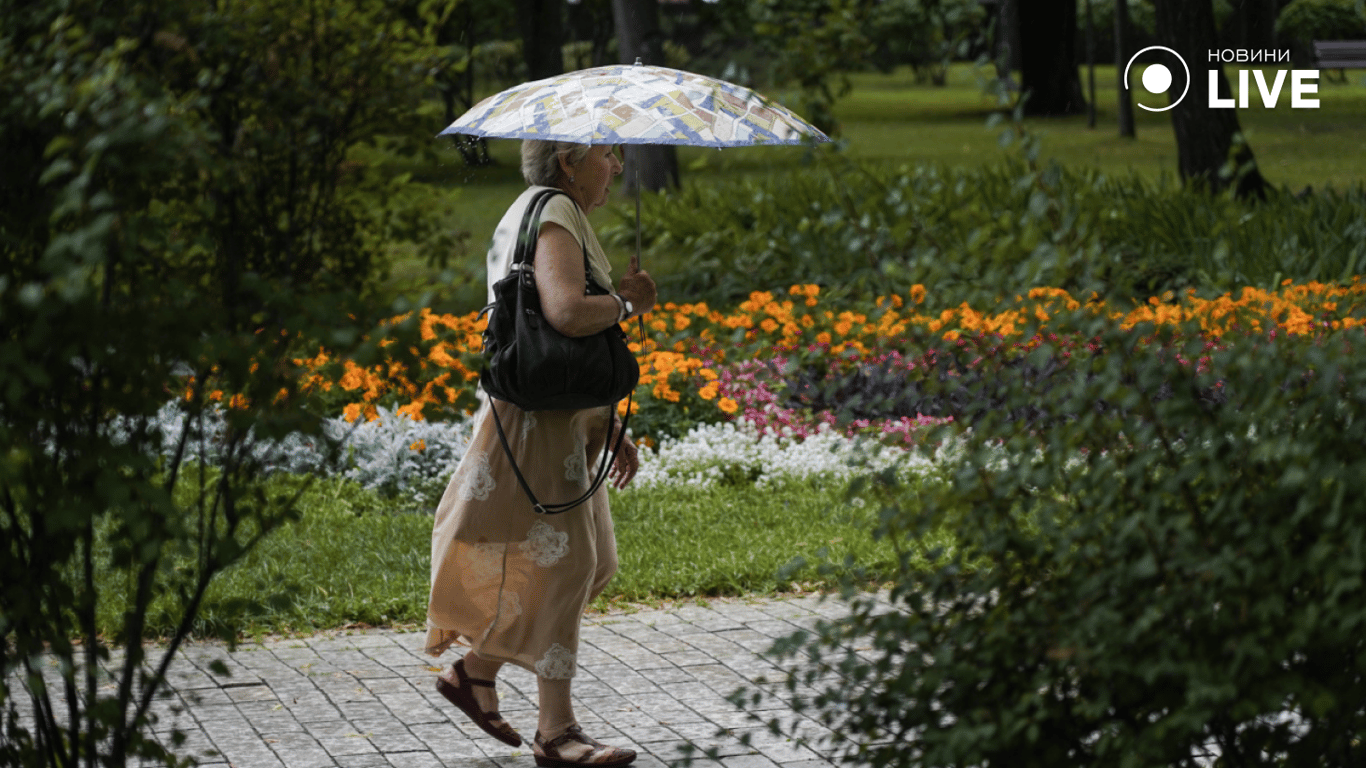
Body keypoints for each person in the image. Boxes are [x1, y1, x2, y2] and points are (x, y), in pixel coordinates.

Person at [425, 140, 657, 768]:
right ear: (566, 161)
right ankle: (557, 735)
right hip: (535, 426)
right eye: (606, 155)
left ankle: (474, 673)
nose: (617, 166)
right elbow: (563, 313)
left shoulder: (546, 209)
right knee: (568, 567)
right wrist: (630, 300)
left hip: (559, 422)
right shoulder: (553, 211)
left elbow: (561, 345)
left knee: (594, 563)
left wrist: (605, 423)